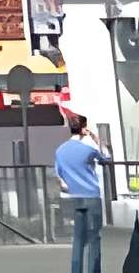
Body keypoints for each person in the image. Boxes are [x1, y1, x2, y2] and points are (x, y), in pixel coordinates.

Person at [56, 116, 112, 273]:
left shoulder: (60, 150)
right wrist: (94, 136)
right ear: (83, 128)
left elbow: (59, 175)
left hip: (71, 198)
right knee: (93, 238)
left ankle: (76, 270)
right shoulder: (87, 149)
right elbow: (106, 156)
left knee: (78, 239)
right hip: (90, 196)